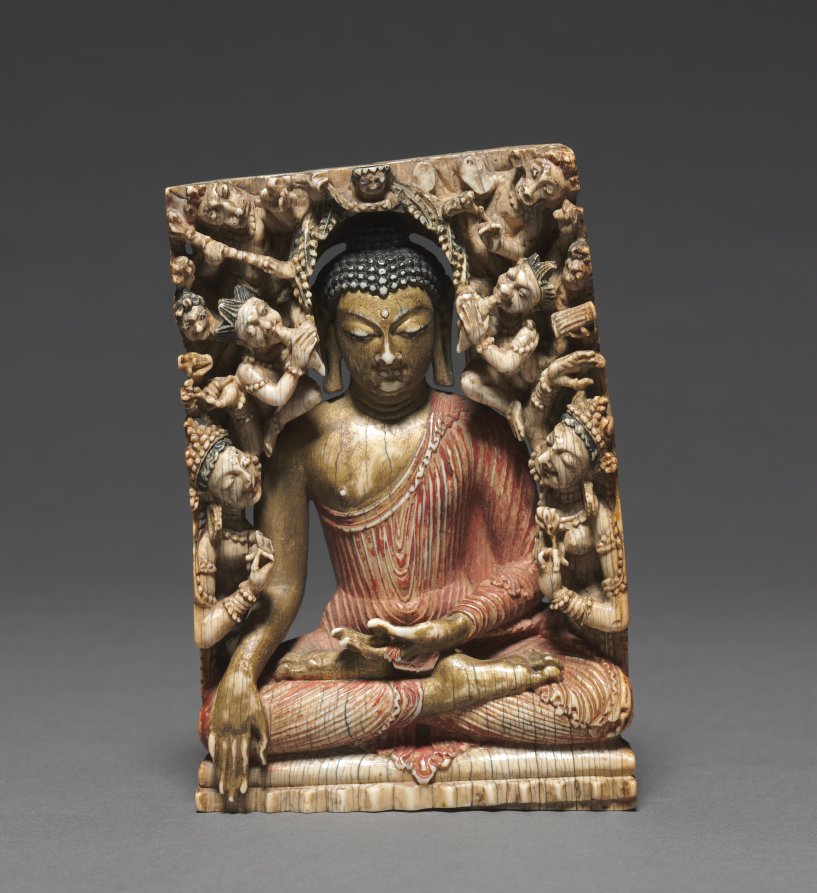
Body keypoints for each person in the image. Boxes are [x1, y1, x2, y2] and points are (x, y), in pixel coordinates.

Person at [202, 217, 632, 801]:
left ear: (441, 329)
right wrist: (240, 671)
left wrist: (453, 628)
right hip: (352, 647)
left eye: (410, 331)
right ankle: (439, 697)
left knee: (604, 699)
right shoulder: (303, 441)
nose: (386, 355)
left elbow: (527, 564)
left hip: (477, 643)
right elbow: (280, 585)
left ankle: (413, 697)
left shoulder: (477, 427)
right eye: (361, 335)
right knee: (224, 714)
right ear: (330, 336)